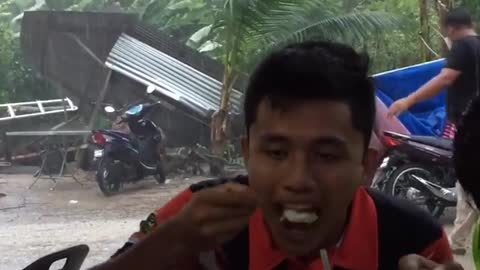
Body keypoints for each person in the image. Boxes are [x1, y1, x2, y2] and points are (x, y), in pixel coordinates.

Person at [91, 41, 454, 270]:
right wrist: (170, 244)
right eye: (276, 152)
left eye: (326, 155)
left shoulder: (415, 241)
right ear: (248, 154)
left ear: (367, 165)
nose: (297, 180)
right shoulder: (198, 221)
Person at [388, 7, 480, 255]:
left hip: (471, 128)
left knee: (469, 179)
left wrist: (408, 100)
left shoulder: (463, 47)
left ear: (451, 28)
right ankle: (459, 240)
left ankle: (458, 242)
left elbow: (445, 78)